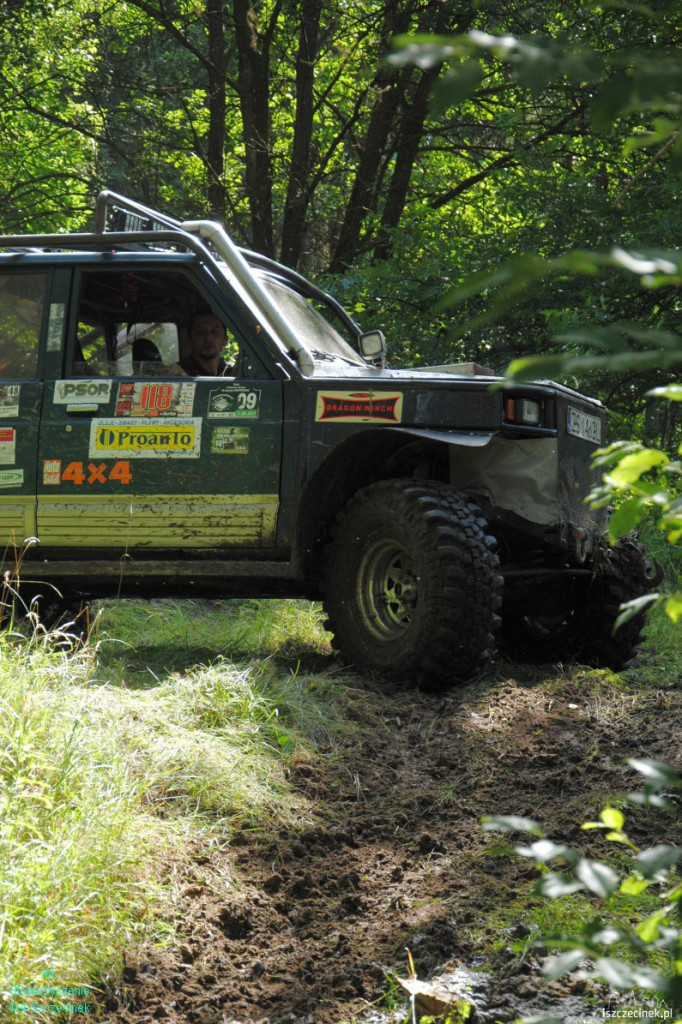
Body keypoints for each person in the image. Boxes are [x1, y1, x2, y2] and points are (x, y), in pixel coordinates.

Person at [171, 309, 235, 376]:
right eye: (201, 332)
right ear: (189, 340)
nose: (208, 337)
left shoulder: (232, 374)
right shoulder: (177, 375)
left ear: (225, 340)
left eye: (215, 331)